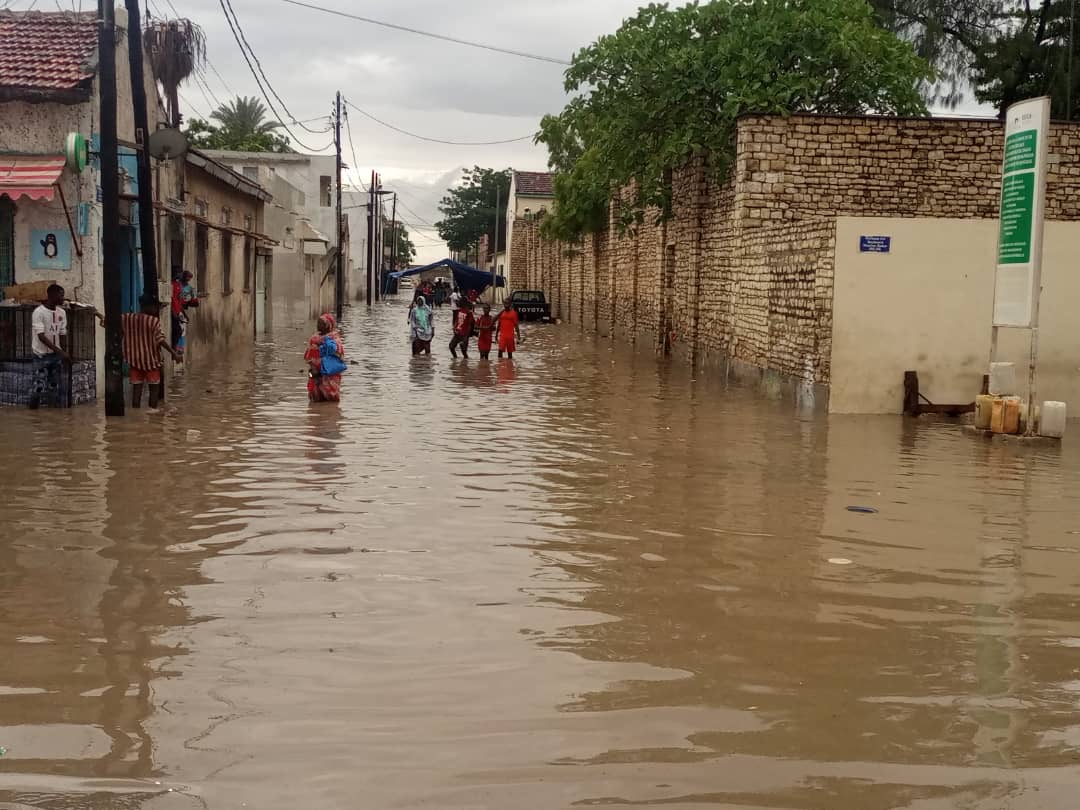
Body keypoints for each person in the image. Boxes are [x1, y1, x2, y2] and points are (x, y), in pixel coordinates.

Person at [122, 294, 181, 409]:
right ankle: (153, 414)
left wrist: (98, 314)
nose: (157, 310)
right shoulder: (153, 321)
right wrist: (173, 353)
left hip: (134, 362)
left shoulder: (127, 318)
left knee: (136, 390)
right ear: (147, 307)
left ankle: (136, 413)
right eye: (156, 307)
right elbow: (161, 340)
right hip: (152, 362)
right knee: (154, 390)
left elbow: (110, 323)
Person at [29, 283, 69, 409]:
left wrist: (64, 353)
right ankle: (33, 413)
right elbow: (41, 337)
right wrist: (61, 352)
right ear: (52, 295)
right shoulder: (38, 312)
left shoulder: (61, 312)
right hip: (40, 355)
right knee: (38, 387)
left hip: (55, 356)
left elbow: (62, 334)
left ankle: (53, 417)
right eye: (61, 296)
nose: (63, 299)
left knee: (54, 387)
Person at [305, 313, 346, 403]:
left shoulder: (335, 339)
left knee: (331, 399)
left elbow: (339, 355)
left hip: (330, 374)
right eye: (318, 323)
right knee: (314, 397)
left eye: (321, 324)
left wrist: (324, 344)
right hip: (315, 372)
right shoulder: (313, 339)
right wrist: (313, 367)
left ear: (328, 325)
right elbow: (308, 356)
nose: (318, 326)